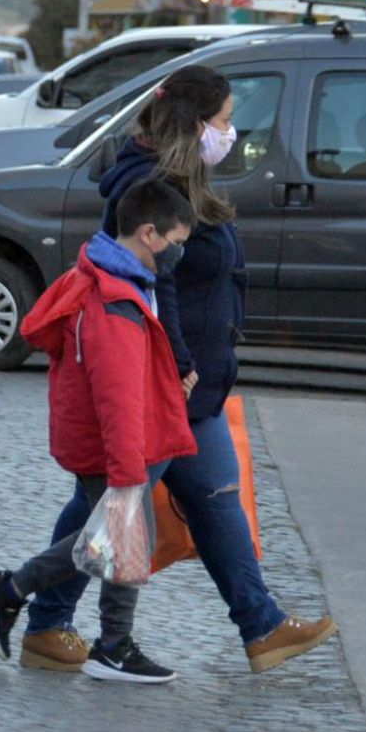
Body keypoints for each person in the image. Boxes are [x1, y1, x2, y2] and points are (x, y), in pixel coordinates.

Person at [88, 64, 337, 673]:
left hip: (195, 385)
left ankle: (263, 627)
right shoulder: (151, 189)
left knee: (215, 501)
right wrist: (176, 361)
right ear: (194, 124)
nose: (233, 131)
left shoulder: (182, 180)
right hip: (170, 382)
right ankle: (30, 602)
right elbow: (152, 283)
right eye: (225, 120)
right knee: (109, 514)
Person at [0, 179, 197, 684]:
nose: (179, 253)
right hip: (112, 446)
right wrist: (127, 471)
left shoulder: (102, 278)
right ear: (149, 234)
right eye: (176, 241)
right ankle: (109, 645)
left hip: (101, 442)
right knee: (126, 535)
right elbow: (116, 397)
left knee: (109, 537)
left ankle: (14, 594)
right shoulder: (116, 302)